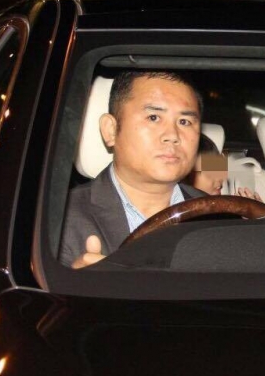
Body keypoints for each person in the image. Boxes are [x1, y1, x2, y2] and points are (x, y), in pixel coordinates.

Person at [59, 70, 206, 268]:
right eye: (153, 117)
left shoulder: (220, 217)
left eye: (184, 122)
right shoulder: (60, 220)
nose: (172, 135)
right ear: (111, 130)